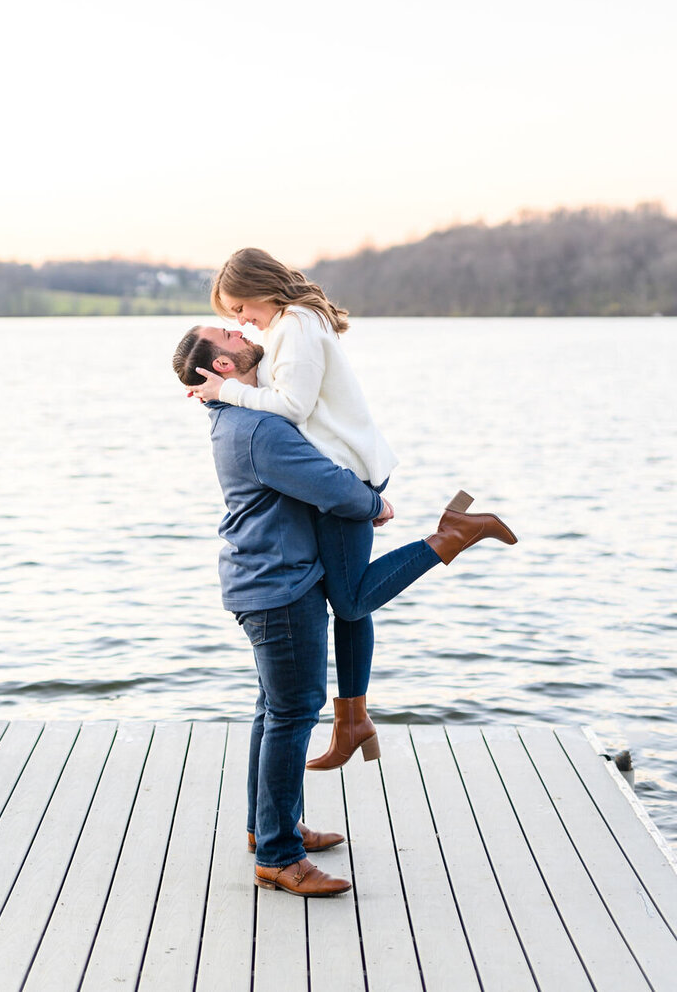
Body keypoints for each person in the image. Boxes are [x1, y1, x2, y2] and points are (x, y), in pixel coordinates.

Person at [172, 322, 516, 896]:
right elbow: (330, 485)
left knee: (274, 712)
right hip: (281, 590)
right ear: (225, 367)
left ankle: (269, 830)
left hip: (267, 582)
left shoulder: (242, 417)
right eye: (228, 333)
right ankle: (279, 858)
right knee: (291, 715)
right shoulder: (258, 428)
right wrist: (374, 502)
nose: (240, 329)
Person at [186, 249, 433, 768]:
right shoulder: (290, 326)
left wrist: (227, 390)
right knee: (348, 600)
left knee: (350, 600)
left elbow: (293, 408)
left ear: (258, 289)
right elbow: (287, 400)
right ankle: (352, 720)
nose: (240, 320)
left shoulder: (294, 326)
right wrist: (224, 392)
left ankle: (449, 537)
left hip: (346, 472)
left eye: (238, 309)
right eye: (232, 317)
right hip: (341, 467)